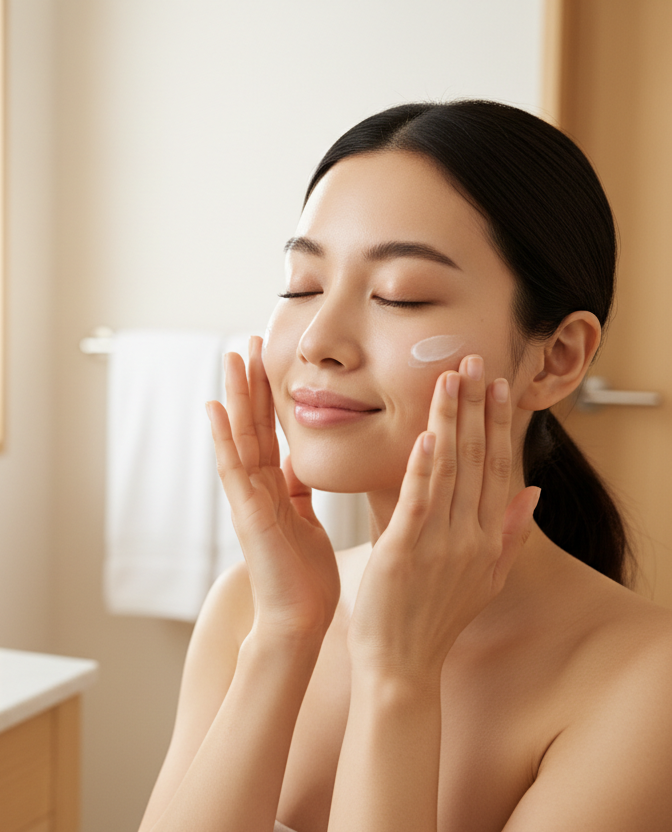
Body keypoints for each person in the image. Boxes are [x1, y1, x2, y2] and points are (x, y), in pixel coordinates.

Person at [138, 101, 672, 832]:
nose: (319, 339)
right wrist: (286, 635)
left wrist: (399, 678)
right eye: (302, 286)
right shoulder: (251, 607)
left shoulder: (647, 683)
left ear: (557, 358)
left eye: (401, 296)